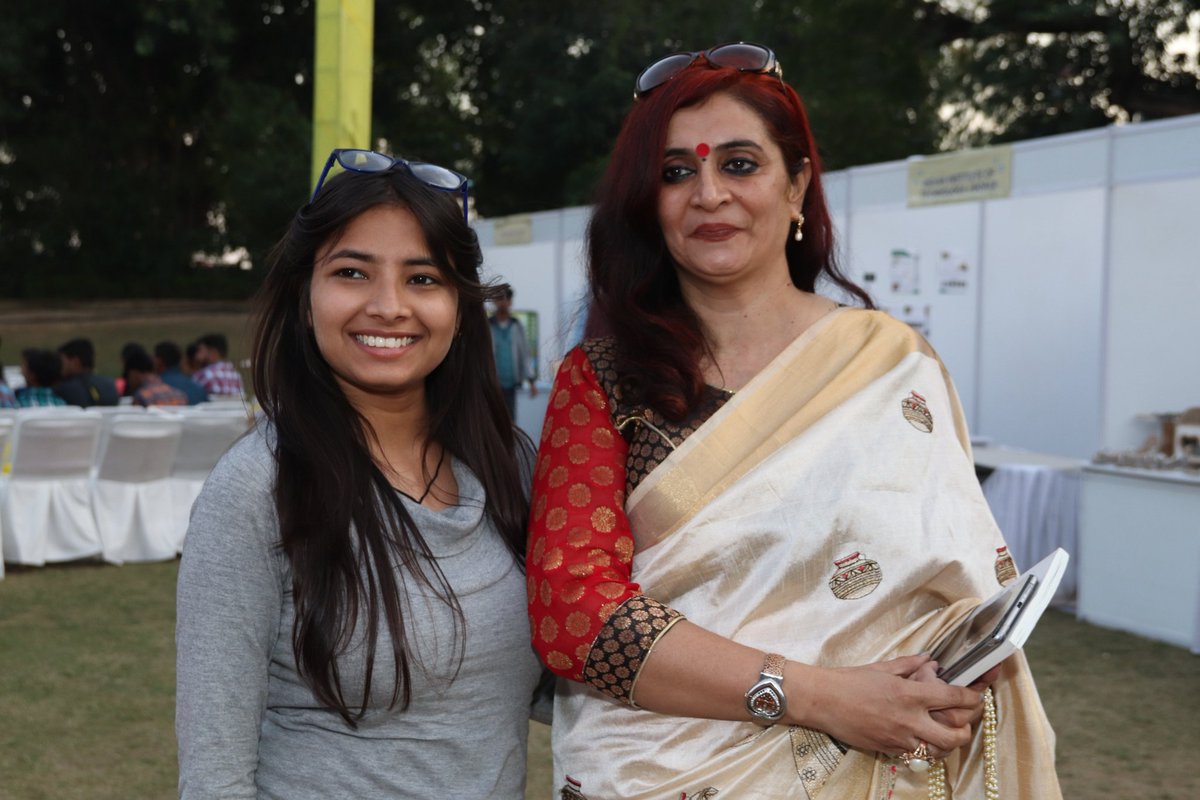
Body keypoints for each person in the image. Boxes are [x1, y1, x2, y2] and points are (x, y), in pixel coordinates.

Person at [526, 42, 1062, 798]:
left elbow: (958, 591)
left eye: (739, 164)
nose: (708, 193)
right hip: (661, 773)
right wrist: (822, 698)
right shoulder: (605, 381)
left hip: (888, 770)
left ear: (798, 185)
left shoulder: (889, 364)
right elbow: (573, 616)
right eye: (676, 172)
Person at [175, 149, 547, 799]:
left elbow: (550, 683)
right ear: (304, 294)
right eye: (352, 272)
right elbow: (214, 773)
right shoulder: (257, 489)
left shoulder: (508, 464)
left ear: (460, 308)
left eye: (423, 279)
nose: (388, 306)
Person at [488, 287, 537, 419]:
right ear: (494, 301)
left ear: (510, 301)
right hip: (491, 385)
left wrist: (531, 381)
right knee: (493, 422)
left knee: (510, 422)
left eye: (506, 298)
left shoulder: (517, 326)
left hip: (511, 385)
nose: (503, 302)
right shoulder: (487, 326)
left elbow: (524, 354)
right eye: (499, 298)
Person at [55, 338, 119, 407]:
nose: (59, 365)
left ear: (75, 361)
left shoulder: (67, 388)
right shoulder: (109, 384)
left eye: (62, 361)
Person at [190, 332, 245, 398]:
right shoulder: (236, 376)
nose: (197, 356)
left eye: (200, 351)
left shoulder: (204, 375)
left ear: (213, 352)